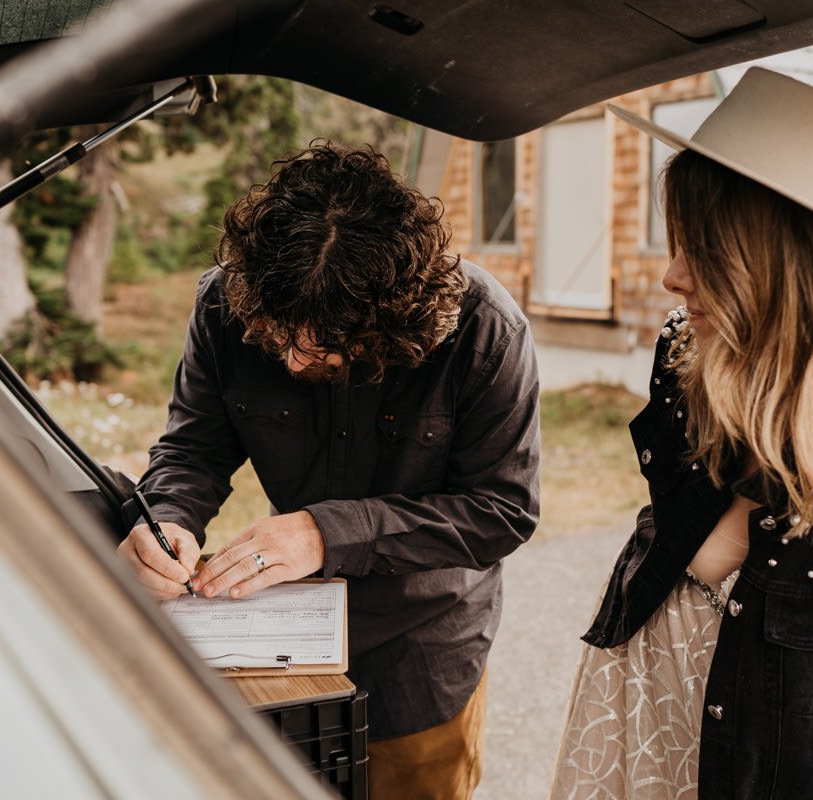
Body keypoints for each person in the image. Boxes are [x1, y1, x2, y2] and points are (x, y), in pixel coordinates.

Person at [551, 67, 813, 799]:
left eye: (703, 251)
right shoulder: (690, 360)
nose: (672, 278)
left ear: (791, 274)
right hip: (635, 715)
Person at [118, 141, 540, 798]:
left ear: (396, 317)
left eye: (324, 347)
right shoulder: (221, 306)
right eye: (276, 334)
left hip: (422, 649)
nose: (289, 362)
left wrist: (325, 533)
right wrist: (168, 518)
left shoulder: (486, 331)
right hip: (275, 652)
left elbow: (502, 511)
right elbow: (192, 449)